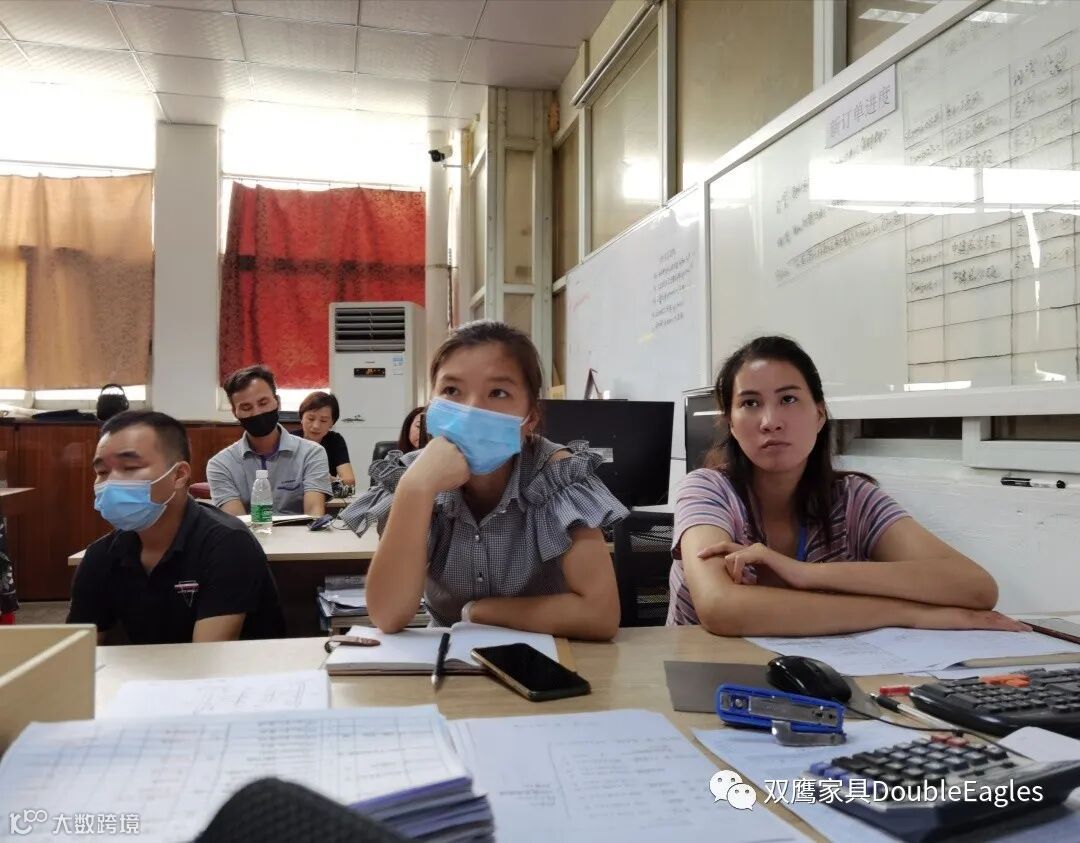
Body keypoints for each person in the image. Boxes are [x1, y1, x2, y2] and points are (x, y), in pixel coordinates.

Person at [668, 335, 1028, 637]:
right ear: (731, 424)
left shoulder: (853, 498)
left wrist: (804, 574)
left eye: (788, 399)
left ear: (819, 414)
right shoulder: (707, 490)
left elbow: (975, 586)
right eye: (750, 403)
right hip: (704, 677)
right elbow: (720, 607)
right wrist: (908, 613)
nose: (770, 421)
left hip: (824, 678)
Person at [342, 320, 626, 640]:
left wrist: (477, 613)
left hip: (547, 654)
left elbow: (599, 615)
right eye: (451, 391)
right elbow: (388, 615)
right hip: (446, 658)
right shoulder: (410, 476)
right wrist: (415, 488)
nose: (471, 410)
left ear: (530, 417)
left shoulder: (559, 477)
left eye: (498, 392)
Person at [68, 410, 286, 644]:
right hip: (149, 667)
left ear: (179, 475)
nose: (111, 482)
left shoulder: (228, 544)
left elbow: (206, 656)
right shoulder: (101, 555)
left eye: (129, 467)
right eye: (102, 472)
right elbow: (75, 651)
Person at [208, 365, 332, 516]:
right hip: (247, 533)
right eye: (246, 407)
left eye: (263, 403)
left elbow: (314, 515)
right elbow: (236, 523)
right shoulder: (220, 465)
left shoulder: (311, 454)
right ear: (235, 412)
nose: (257, 412)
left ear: (277, 402)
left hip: (301, 532)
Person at [299, 390, 356, 486]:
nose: (316, 426)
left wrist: (326, 478)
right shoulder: (290, 439)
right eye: (311, 419)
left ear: (332, 423)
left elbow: (349, 482)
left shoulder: (335, 440)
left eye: (323, 421)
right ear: (301, 418)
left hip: (324, 493)